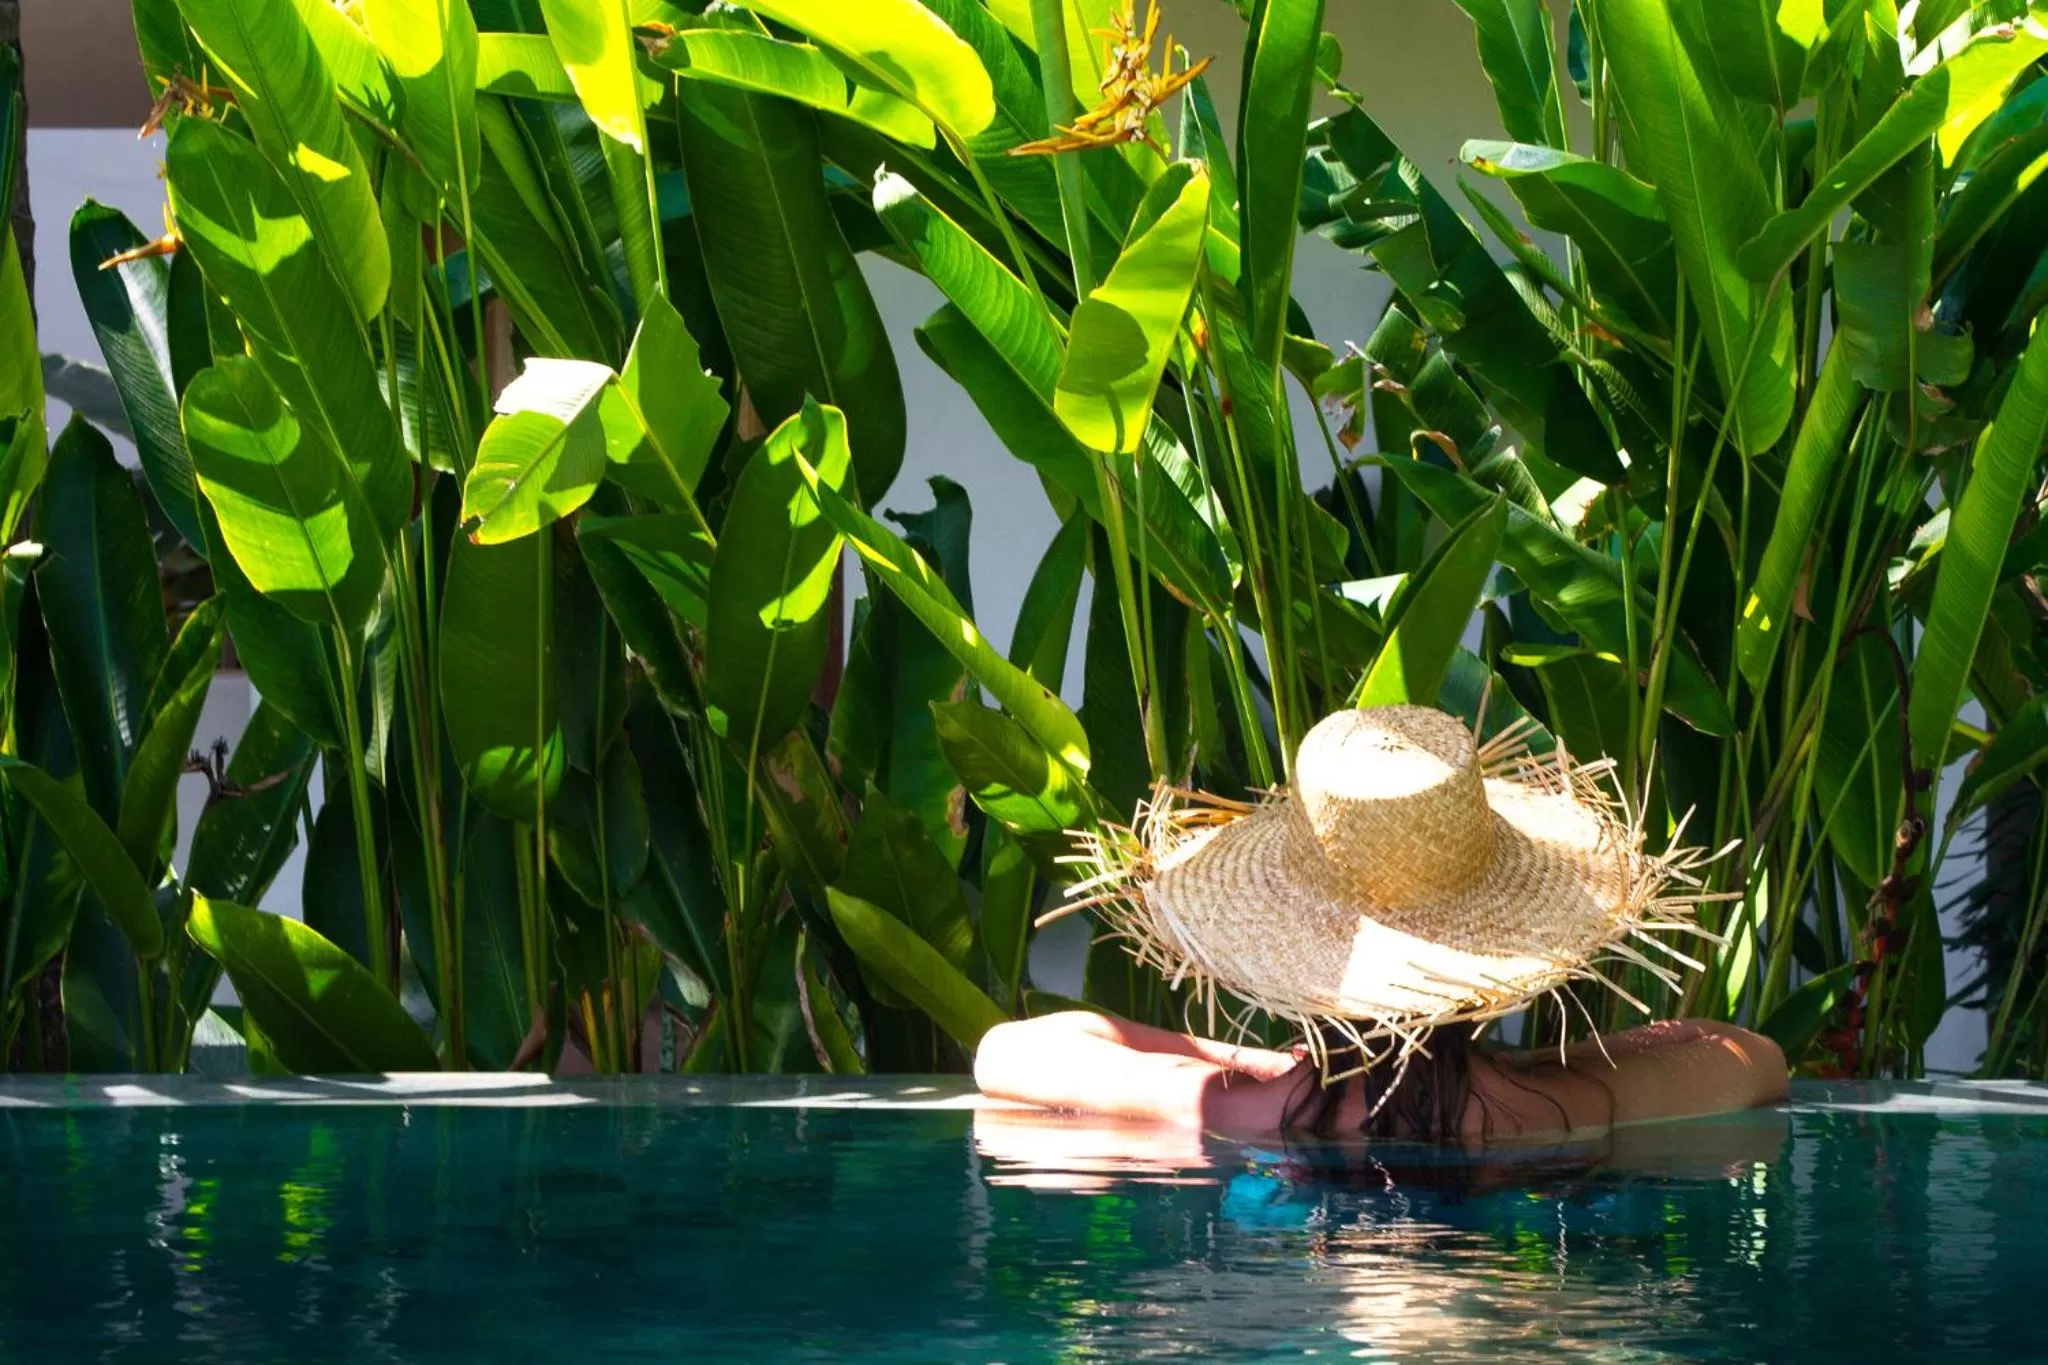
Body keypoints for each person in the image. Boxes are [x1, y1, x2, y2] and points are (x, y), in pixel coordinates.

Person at [976, 704, 1789, 1141]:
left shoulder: (1232, 1108)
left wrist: (1261, 1064)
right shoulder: (1565, 1110)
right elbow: (1751, 1058)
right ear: (1492, 959)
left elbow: (1007, 1050)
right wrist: (1525, 1065)